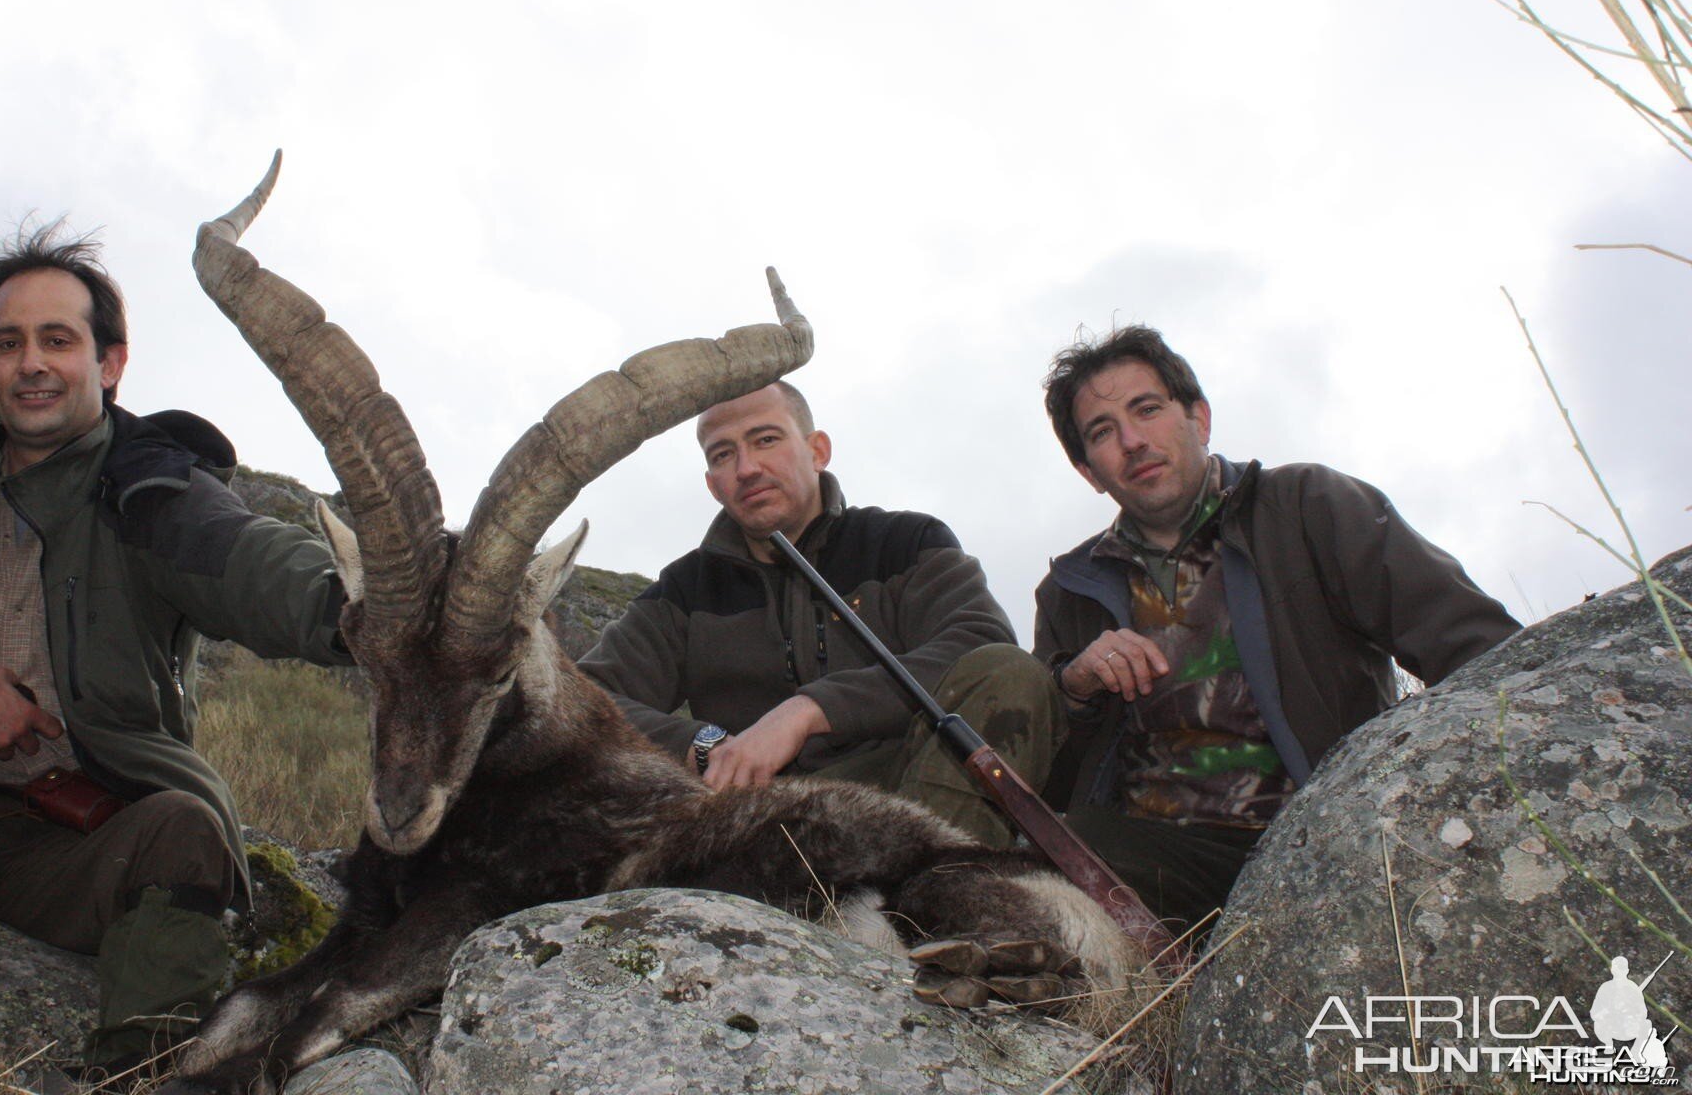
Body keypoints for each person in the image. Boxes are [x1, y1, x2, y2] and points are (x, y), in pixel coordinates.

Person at [0, 225, 351, 1078]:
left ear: (110, 364)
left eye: (58, 340)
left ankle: (134, 1071)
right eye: (8, 344)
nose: (31, 363)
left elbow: (259, 567)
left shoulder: (154, 492)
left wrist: (363, 607)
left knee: (186, 831)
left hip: (73, 856)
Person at [1033, 326, 1520, 929]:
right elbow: (1046, 780)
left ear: (1199, 418)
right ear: (1089, 471)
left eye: (1148, 409)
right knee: (1039, 859)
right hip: (1155, 858)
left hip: (1323, 834)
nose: (1133, 441)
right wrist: (1074, 691)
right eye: (1103, 433)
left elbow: (1467, 637)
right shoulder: (1069, 591)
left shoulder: (1307, 505)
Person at [579, 380, 1056, 848]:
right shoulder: (683, 590)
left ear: (817, 450)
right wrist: (706, 744)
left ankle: (933, 894)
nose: (746, 468)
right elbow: (583, 696)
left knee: (1012, 673)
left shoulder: (906, 541)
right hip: (758, 814)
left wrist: (807, 712)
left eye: (766, 440)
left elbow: (980, 640)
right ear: (711, 485)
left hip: (908, 789)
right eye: (722, 455)